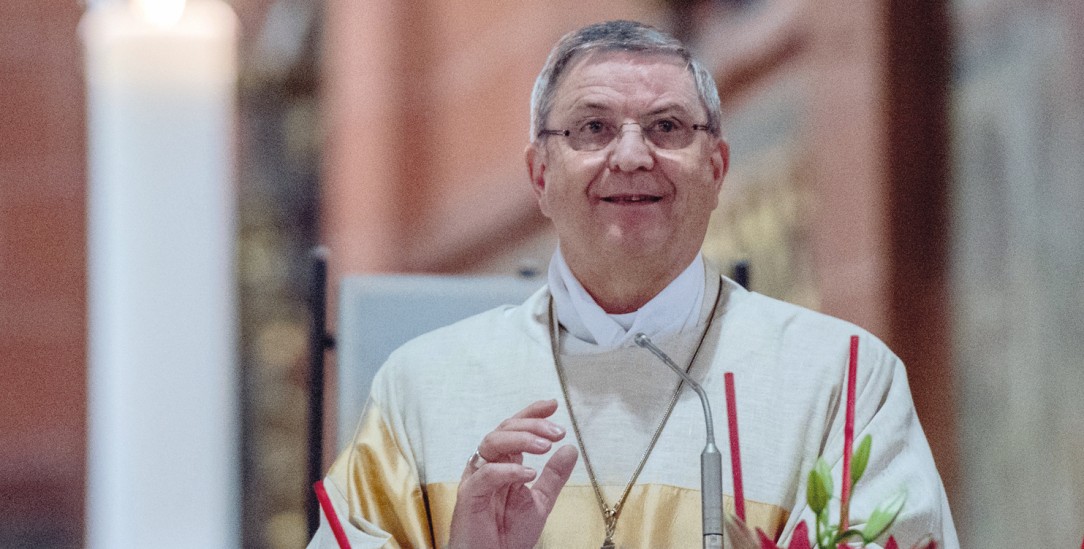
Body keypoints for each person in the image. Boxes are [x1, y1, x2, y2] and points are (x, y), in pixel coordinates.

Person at [308, 20, 958, 549]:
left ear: (717, 165)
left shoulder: (842, 380)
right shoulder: (421, 388)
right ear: (539, 174)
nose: (630, 154)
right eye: (592, 127)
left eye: (667, 127)